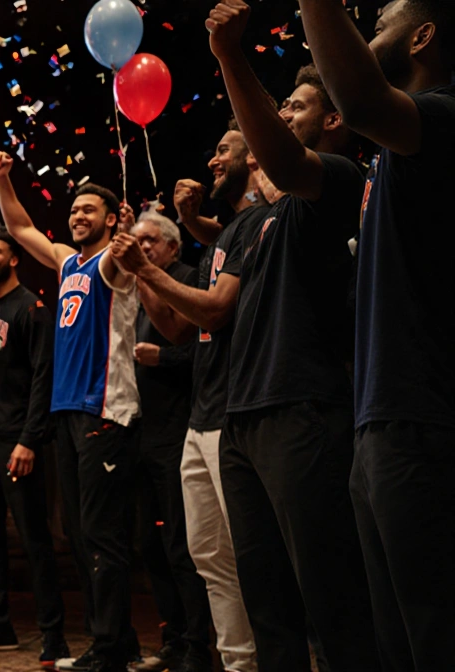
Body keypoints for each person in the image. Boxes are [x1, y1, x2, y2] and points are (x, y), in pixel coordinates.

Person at [147, 6, 374, 669]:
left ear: (332, 119)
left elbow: (274, 149)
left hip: (303, 410)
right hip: (242, 420)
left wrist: (227, 55)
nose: (285, 113)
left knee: (329, 599)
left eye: (298, 105)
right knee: (265, 600)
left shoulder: (339, 182)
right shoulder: (259, 222)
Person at [296, 0, 455, 668]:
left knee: (435, 637)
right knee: (396, 643)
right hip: (382, 421)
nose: (369, 33)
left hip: (425, 418)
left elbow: (358, 99)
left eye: (384, 19)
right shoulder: (392, 151)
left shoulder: (445, 114)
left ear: (424, 35)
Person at [0, 151, 138, 672]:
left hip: (104, 408)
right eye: (75, 210)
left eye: (89, 210)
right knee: (78, 534)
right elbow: (20, 226)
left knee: (101, 536)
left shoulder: (111, 263)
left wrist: (127, 236)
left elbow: (124, 254)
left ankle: (111, 647)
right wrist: (2, 178)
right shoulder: (67, 261)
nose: (78, 216)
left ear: (111, 218)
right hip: (69, 411)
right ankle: (117, 642)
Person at [121, 125, 266, 672]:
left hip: (235, 413)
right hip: (200, 419)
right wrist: (145, 272)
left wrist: (148, 265)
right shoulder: (223, 235)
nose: (211, 160)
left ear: (255, 159)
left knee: (248, 551)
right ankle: (237, 663)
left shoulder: (251, 227)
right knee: (207, 554)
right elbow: (181, 331)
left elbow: (213, 312)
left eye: (223, 149)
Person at [0, 226, 69, 668]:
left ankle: (54, 635)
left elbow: (44, 378)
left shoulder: (33, 309)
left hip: (19, 442)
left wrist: (30, 439)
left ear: (14, 259)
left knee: (34, 540)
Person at [125, 213, 212, 672]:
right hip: (144, 431)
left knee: (183, 546)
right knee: (152, 548)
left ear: (173, 247)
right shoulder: (138, 284)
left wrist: (165, 358)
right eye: (137, 240)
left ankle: (199, 646)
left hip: (179, 431)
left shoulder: (185, 278)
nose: (143, 247)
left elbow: (203, 348)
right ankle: (174, 639)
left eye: (151, 241)